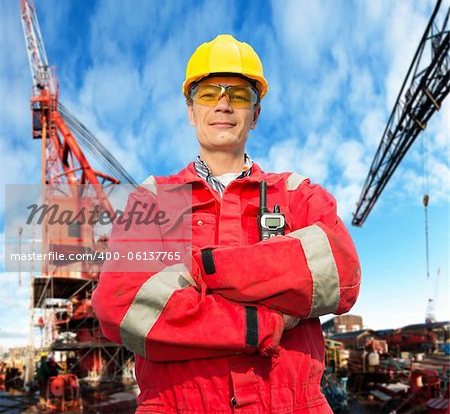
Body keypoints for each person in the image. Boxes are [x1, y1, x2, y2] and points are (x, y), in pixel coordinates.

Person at [92, 34, 361, 413]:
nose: (222, 104)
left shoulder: (295, 193)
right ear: (190, 110)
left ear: (255, 113)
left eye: (238, 94)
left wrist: (202, 271)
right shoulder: (154, 199)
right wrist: (265, 320)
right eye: (207, 93)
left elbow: (341, 271)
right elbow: (121, 304)